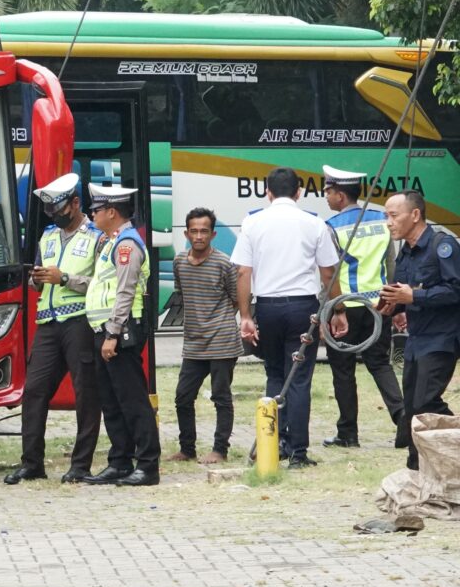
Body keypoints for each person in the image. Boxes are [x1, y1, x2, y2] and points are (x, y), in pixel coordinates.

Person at [232, 167, 338, 467]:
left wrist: (246, 315)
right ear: (299, 192)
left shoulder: (252, 223)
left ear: (267, 192)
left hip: (267, 307)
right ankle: (299, 452)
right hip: (303, 307)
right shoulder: (313, 224)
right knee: (300, 380)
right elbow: (328, 272)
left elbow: (242, 271)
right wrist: (338, 310)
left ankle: (272, 443)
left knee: (275, 374)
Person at [8, 173, 103, 484]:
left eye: (58, 210)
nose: (54, 216)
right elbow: (37, 281)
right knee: (34, 392)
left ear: (75, 204)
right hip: (48, 324)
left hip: (81, 323)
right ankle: (31, 463)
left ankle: (81, 465)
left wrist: (64, 279)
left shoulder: (97, 237)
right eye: (49, 211)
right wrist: (37, 279)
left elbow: (103, 285)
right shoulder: (47, 236)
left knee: (85, 394)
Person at [321, 165, 404, 449]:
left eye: (329, 192)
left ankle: (348, 434)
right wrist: (392, 301)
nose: (327, 198)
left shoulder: (331, 227)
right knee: (380, 364)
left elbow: (329, 273)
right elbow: (390, 264)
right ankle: (402, 418)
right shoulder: (383, 220)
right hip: (378, 305)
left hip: (344, 307)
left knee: (343, 370)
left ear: (341, 196)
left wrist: (332, 311)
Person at [82, 184, 160, 486]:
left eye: (96, 210)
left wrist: (113, 333)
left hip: (120, 332)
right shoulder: (112, 242)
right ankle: (120, 461)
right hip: (105, 331)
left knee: (133, 400)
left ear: (111, 212)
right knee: (112, 401)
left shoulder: (127, 245)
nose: (92, 214)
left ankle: (148, 464)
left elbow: (126, 293)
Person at [376, 191, 459, 471]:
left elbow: (455, 290)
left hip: (442, 339)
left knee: (426, 402)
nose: (388, 222)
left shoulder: (442, 246)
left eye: (393, 215)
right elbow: (402, 290)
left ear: (415, 215)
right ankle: (416, 469)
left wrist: (414, 298)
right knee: (411, 408)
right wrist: (393, 306)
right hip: (415, 340)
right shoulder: (406, 252)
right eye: (387, 215)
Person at [167, 208, 239, 465]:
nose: (199, 236)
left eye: (204, 231)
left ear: (213, 234)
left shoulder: (224, 262)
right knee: (183, 396)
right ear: (186, 233)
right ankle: (187, 448)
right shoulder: (178, 262)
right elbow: (181, 293)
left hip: (222, 340)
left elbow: (237, 298)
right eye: (194, 231)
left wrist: (219, 321)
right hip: (194, 343)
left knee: (221, 397)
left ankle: (220, 449)